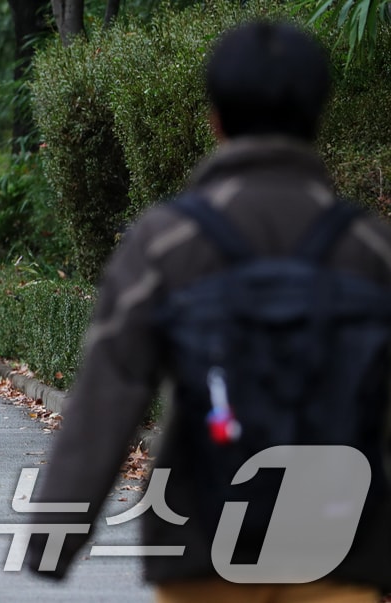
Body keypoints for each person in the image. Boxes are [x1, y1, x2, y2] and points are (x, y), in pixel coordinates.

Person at [22, 22, 391, 601]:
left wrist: (53, 535)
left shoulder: (167, 243)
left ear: (215, 119)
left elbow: (108, 395)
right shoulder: (369, 250)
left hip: (204, 543)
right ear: (317, 117)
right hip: (340, 545)